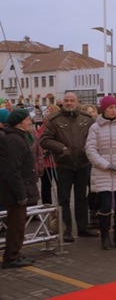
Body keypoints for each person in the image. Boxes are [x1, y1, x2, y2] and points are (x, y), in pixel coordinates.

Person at [40, 92, 98, 243]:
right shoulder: (54, 120)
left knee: (81, 198)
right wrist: (62, 149)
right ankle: (66, 230)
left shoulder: (87, 119)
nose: (69, 103)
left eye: (72, 100)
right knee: (64, 199)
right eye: (66, 100)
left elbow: (95, 136)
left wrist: (88, 148)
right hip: (64, 165)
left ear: (78, 102)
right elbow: (45, 139)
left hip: (83, 163)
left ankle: (83, 227)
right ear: (62, 102)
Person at [85, 96, 116, 250]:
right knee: (105, 204)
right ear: (104, 109)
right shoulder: (95, 128)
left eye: (115, 107)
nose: (113, 110)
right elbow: (91, 150)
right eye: (110, 107)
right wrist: (106, 165)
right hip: (103, 170)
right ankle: (105, 236)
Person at [1, 109, 40, 269]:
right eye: (27, 119)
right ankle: (12, 256)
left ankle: (15, 252)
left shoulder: (17, 137)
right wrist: (21, 194)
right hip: (15, 190)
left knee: (18, 224)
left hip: (19, 188)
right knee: (16, 224)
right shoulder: (14, 139)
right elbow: (13, 169)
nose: (30, 121)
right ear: (19, 122)